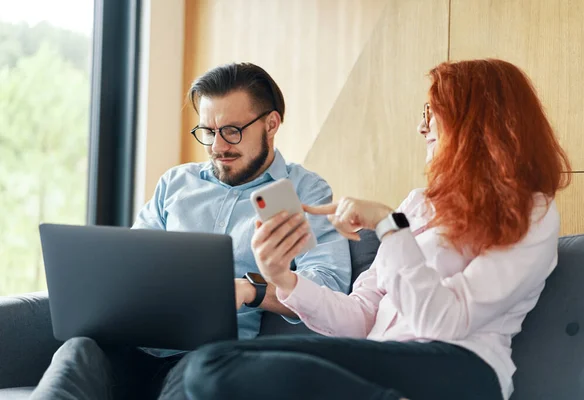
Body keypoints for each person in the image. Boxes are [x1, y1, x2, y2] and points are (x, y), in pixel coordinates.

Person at [182, 59, 572, 400]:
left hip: (460, 368)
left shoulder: (532, 211)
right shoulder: (420, 203)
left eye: (433, 111)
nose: (422, 126)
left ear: (477, 121)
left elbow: (446, 322)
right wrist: (282, 277)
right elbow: (360, 315)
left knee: (212, 365)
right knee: (201, 372)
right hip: (384, 364)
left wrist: (388, 225)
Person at [30, 63, 351, 400]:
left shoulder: (300, 192)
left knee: (195, 376)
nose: (217, 147)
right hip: (134, 344)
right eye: (208, 132)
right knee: (77, 351)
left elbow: (329, 285)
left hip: (212, 357)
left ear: (271, 124)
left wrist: (251, 289)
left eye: (231, 131)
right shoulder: (176, 183)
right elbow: (134, 258)